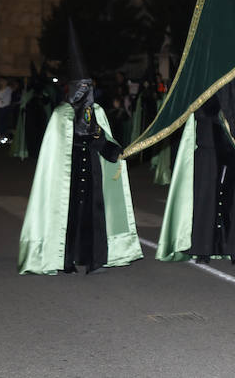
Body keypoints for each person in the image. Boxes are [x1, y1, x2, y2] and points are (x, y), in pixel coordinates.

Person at [18, 22, 142, 274]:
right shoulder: (61, 115)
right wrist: (77, 128)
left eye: (90, 87)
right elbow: (56, 150)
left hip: (93, 169)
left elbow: (102, 140)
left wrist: (115, 151)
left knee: (93, 214)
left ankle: (94, 258)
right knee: (70, 214)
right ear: (73, 89)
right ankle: (65, 260)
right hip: (69, 172)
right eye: (83, 87)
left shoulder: (96, 112)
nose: (87, 91)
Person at [156, 96, 235, 263]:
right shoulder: (204, 86)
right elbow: (198, 112)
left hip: (232, 149)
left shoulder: (234, 87)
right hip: (208, 150)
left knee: (234, 201)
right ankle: (203, 249)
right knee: (206, 201)